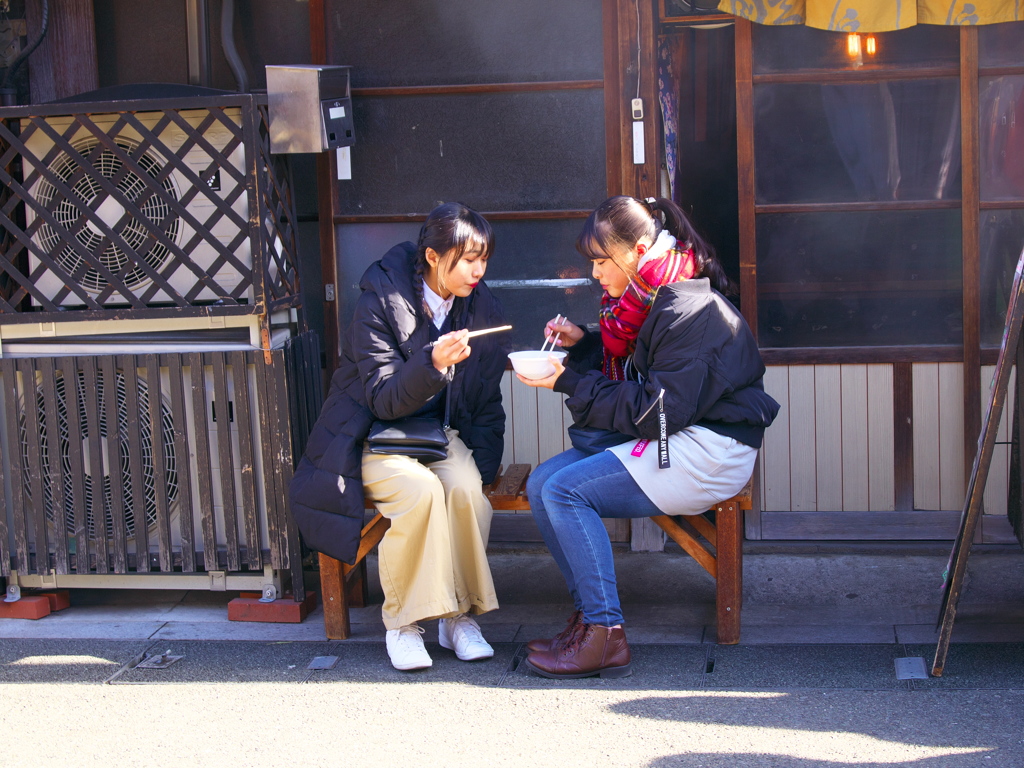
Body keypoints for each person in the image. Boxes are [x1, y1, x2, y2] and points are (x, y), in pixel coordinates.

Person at [517, 195, 780, 679]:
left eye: (602, 261)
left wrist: (570, 381)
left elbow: (658, 411)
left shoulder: (686, 309)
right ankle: (586, 620)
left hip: (711, 449)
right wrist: (586, 343)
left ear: (639, 250)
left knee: (564, 490)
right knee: (542, 483)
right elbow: (646, 371)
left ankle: (604, 633)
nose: (596, 274)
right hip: (683, 434)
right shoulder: (659, 291)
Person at [289, 202, 508, 671]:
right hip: (369, 435)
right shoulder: (379, 301)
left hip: (437, 436)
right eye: (468, 259)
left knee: (467, 489)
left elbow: (487, 395)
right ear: (433, 257)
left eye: (483, 259)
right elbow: (383, 398)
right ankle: (405, 625)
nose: (478, 270)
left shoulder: (480, 302)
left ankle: (458, 617)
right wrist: (432, 365)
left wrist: (484, 464)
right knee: (420, 491)